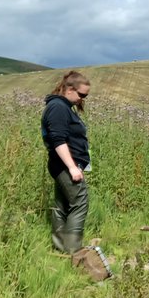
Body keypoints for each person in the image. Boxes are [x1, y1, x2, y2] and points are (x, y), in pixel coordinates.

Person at [40, 70, 91, 253]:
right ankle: (74, 251)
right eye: (82, 94)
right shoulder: (58, 108)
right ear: (69, 89)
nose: (82, 99)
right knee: (80, 202)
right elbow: (58, 140)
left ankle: (60, 248)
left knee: (62, 206)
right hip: (64, 165)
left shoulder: (61, 107)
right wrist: (72, 167)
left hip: (62, 165)